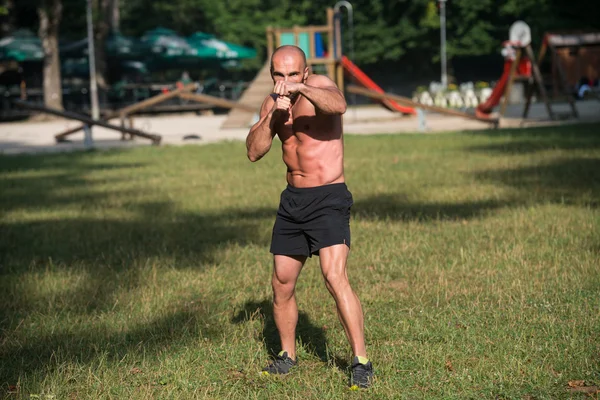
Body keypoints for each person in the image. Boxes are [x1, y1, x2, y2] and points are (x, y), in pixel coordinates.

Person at [245, 45, 373, 389]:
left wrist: (302, 90)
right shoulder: (273, 101)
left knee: (334, 276)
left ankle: (361, 360)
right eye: (278, 74)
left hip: (329, 196)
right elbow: (254, 151)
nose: (284, 81)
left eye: (291, 74)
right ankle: (288, 356)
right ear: (271, 73)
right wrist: (273, 115)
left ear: (304, 71)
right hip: (293, 201)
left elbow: (339, 105)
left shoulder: (320, 85)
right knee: (281, 283)